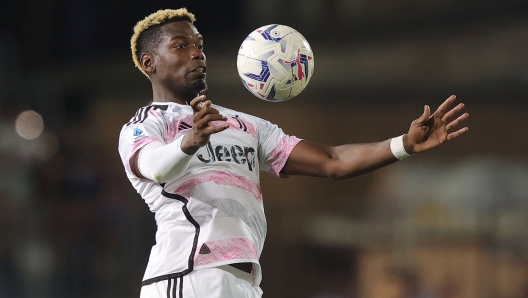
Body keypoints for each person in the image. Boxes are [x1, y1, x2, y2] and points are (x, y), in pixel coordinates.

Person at [118, 8, 469, 298]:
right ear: (149, 62)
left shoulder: (245, 126)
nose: (197, 52)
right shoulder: (145, 126)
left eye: (199, 45)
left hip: (245, 284)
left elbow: (332, 161)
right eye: (181, 46)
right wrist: (187, 142)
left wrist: (404, 145)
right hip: (187, 277)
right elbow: (152, 166)